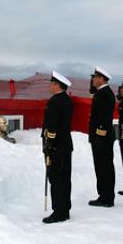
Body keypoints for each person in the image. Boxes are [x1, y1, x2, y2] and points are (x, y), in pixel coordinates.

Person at [42, 71, 74, 223]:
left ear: (56, 85)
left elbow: (53, 127)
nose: (50, 86)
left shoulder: (55, 101)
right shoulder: (67, 100)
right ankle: (65, 209)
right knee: (65, 178)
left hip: (56, 147)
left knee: (56, 179)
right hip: (66, 145)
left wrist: (49, 145)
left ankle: (59, 212)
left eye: (51, 83)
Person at [88, 67, 116, 207]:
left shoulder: (104, 94)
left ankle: (107, 197)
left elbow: (104, 118)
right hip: (102, 136)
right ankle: (104, 195)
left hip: (102, 137)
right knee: (102, 166)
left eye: (95, 77)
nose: (92, 80)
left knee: (104, 166)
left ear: (101, 79)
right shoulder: (102, 93)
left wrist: (99, 136)